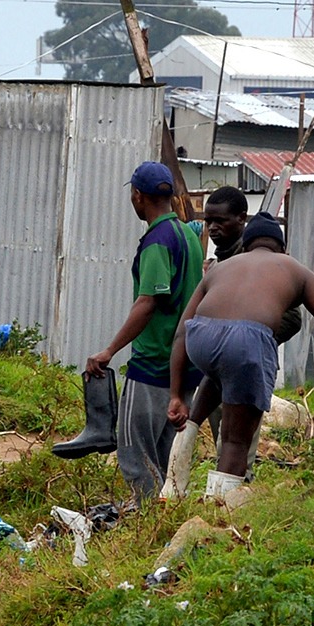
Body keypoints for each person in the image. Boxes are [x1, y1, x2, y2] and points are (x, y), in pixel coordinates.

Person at [167, 212, 314, 502]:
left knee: (218, 374)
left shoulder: (219, 267)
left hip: (200, 337)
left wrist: (177, 395)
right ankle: (218, 512)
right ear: (282, 247)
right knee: (236, 441)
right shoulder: (295, 269)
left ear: (246, 245)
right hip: (247, 341)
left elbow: (180, 334)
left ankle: (171, 491)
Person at [159, 196, 302, 498]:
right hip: (227, 353)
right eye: (208, 221)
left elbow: (292, 318)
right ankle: (214, 503)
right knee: (218, 431)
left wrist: (252, 339)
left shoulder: (252, 261)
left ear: (241, 221)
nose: (212, 228)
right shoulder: (220, 262)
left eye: (219, 221)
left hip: (234, 352)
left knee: (233, 438)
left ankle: (199, 495)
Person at [83, 161, 204, 503]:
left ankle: (148, 518)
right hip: (185, 364)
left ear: (138, 197)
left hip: (153, 364)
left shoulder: (157, 241)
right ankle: (170, 514)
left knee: (136, 453)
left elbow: (148, 301)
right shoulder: (188, 236)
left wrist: (110, 350)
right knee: (167, 453)